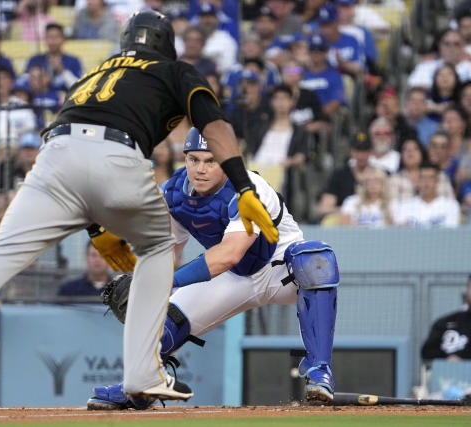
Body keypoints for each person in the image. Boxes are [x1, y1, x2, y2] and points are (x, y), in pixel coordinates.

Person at [0, 11, 278, 404]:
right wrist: (243, 187)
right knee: (158, 248)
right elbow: (216, 127)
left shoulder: (98, 71)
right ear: (165, 45)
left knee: (0, 252)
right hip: (118, 152)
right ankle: (142, 373)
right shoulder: (172, 68)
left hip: (54, 154)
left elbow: (78, 156)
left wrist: (96, 229)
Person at [87, 128, 338, 410]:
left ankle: (319, 372)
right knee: (166, 319)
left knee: (317, 258)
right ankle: (140, 386)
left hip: (279, 266)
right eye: (194, 159)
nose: (200, 169)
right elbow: (168, 253)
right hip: (232, 279)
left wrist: (166, 282)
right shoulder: (172, 193)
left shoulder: (247, 188)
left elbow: (230, 253)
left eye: (211, 161)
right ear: (185, 158)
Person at [392, 162, 461, 228]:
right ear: (417, 181)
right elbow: (401, 234)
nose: (427, 182)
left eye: (431, 177)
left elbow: (450, 234)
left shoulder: (451, 205)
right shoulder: (404, 206)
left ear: (437, 181)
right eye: (423, 177)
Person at [421, 275, 471, 360]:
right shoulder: (446, 323)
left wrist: (463, 358)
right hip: (447, 372)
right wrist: (447, 359)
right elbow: (427, 352)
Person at [25, 23, 83, 94]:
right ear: (45, 39)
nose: (52, 41)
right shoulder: (35, 59)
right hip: (38, 101)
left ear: (64, 39)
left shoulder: (74, 61)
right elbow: (23, 84)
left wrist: (62, 71)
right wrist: (36, 79)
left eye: (56, 37)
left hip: (66, 102)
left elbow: (80, 88)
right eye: (49, 37)